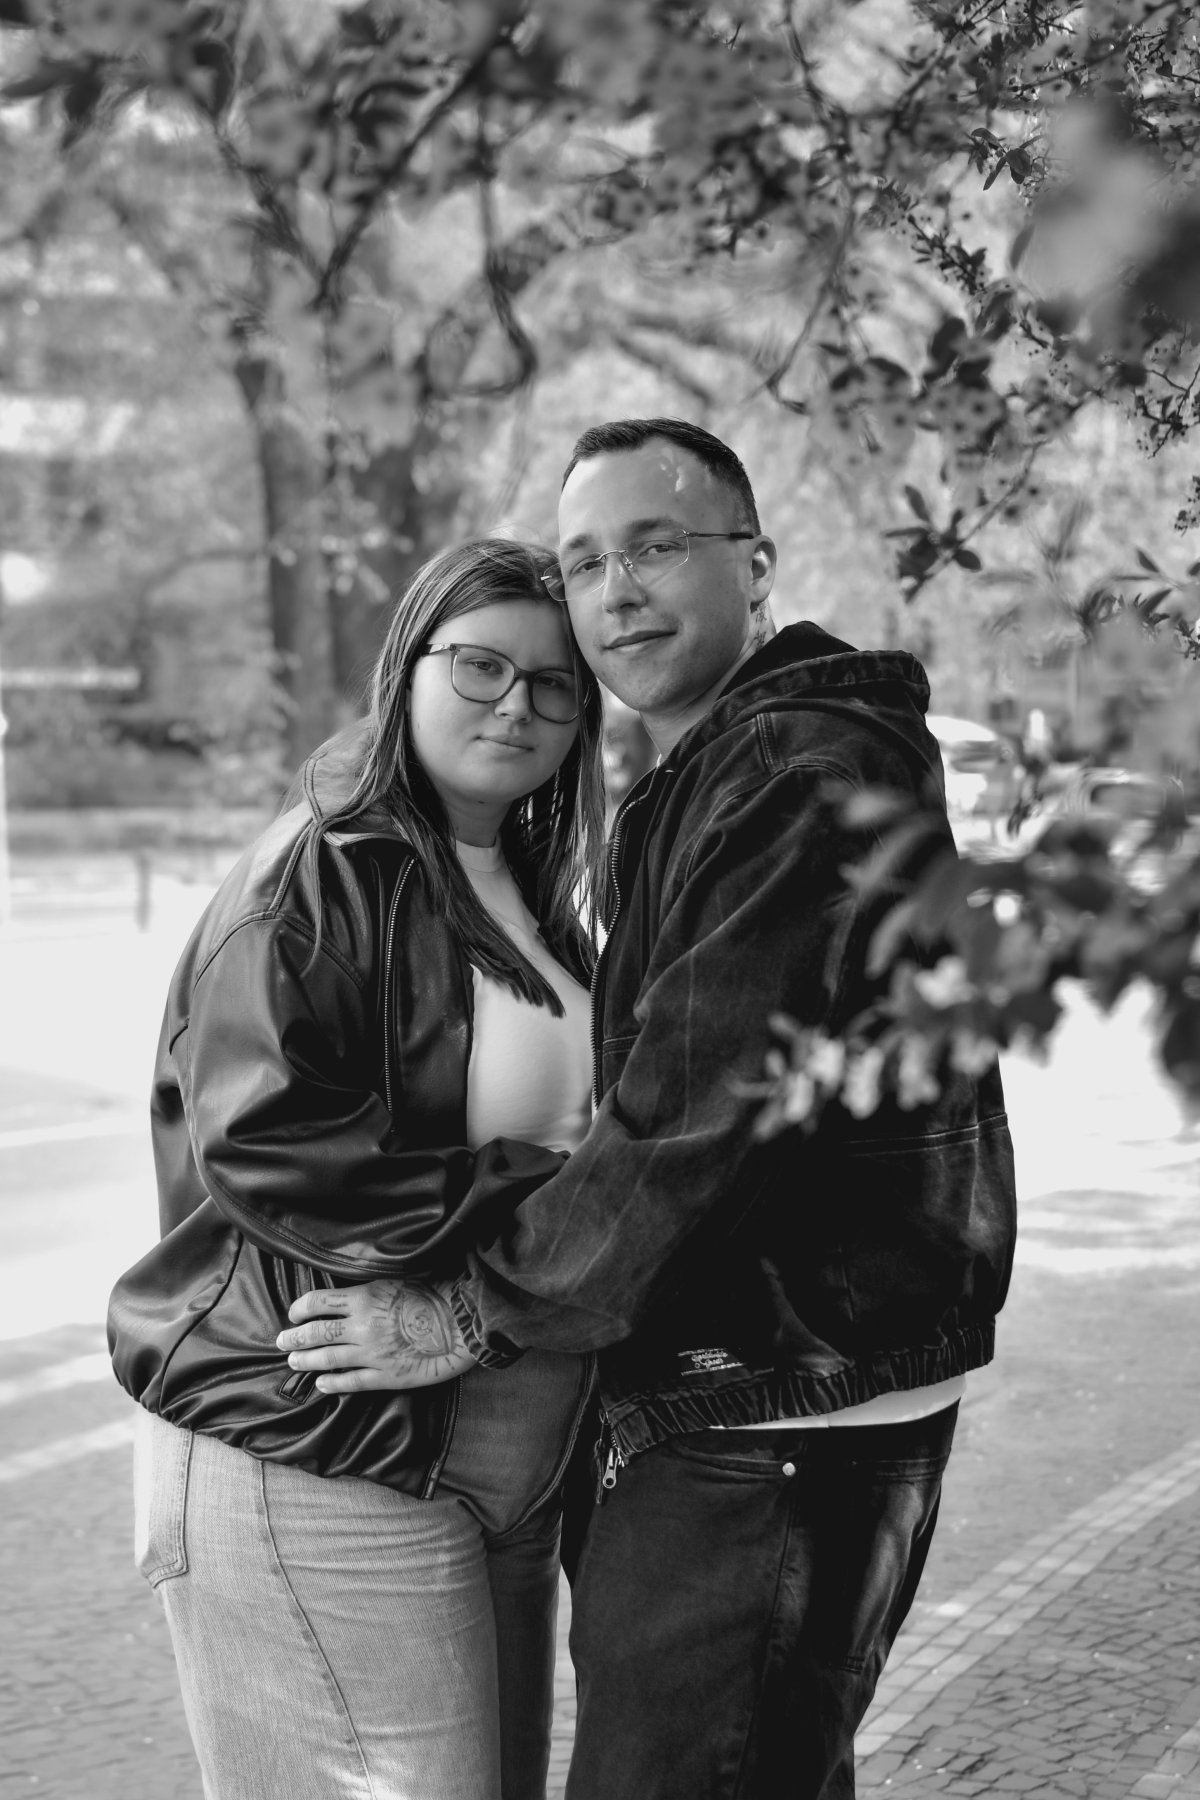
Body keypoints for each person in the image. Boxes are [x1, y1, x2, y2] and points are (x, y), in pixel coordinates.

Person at [278, 419, 1019, 1800]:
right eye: (583, 561)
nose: (615, 590)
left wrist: (464, 1313)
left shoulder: (792, 771)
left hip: (774, 1400)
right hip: (772, 1392)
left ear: (757, 565)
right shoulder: (719, 768)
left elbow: (696, 1106)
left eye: (656, 545)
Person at [107, 537, 608, 1800]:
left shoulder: (530, 888)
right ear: (408, 667)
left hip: (493, 1453)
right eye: (482, 666)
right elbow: (270, 1141)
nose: (517, 704)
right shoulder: (321, 873)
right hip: (323, 1435)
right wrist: (574, 1192)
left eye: (555, 684)